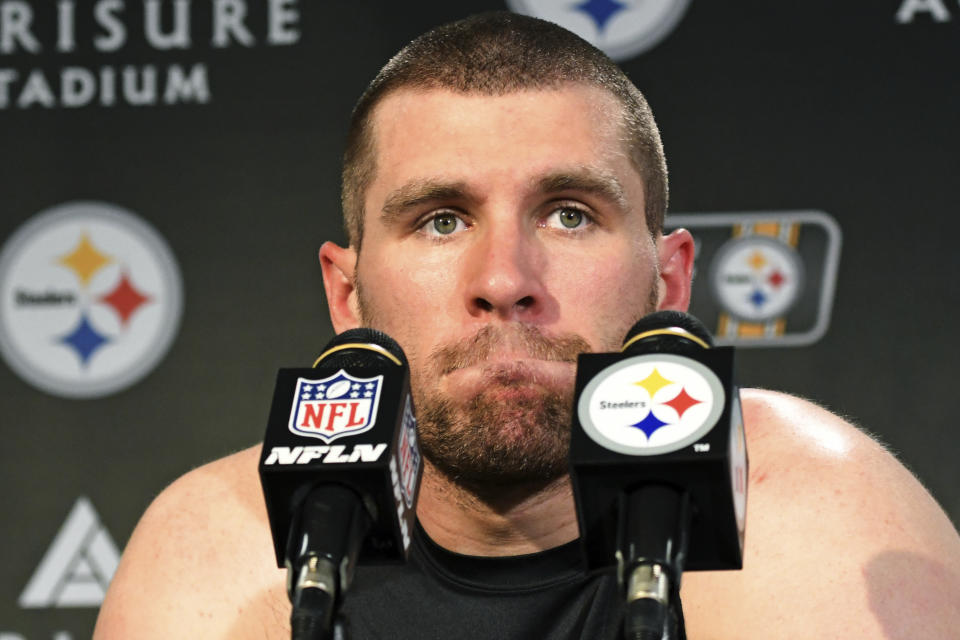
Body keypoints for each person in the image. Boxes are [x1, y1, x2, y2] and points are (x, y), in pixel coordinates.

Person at [94, 12, 960, 639]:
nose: (505, 281)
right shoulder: (224, 546)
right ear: (348, 295)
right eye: (440, 219)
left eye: (569, 215)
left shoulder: (800, 513)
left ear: (669, 281)